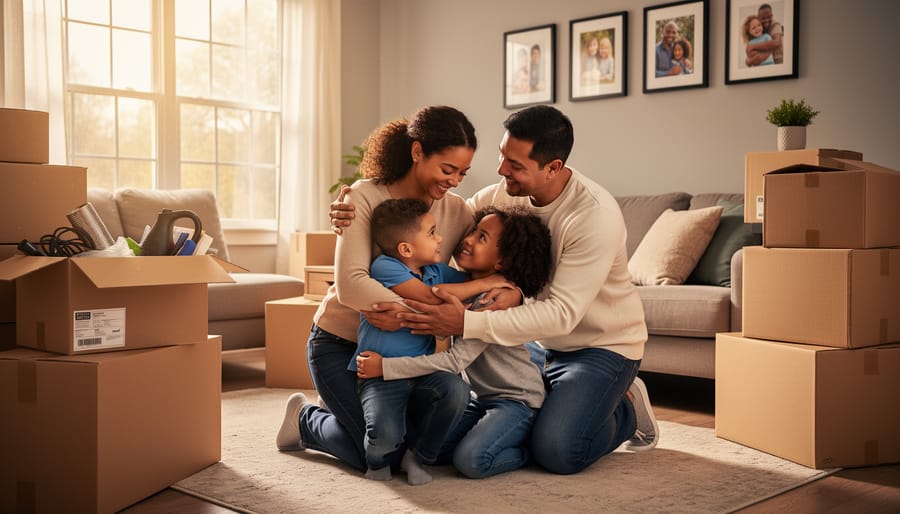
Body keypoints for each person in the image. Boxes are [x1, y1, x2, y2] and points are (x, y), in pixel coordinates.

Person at [332, 105, 659, 475]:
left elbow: (563, 314)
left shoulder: (593, 216)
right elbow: (438, 226)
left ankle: (626, 407)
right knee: (428, 439)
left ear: (553, 167)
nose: (502, 171)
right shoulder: (502, 195)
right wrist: (353, 212)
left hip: (598, 347)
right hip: (536, 350)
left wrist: (466, 321)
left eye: (516, 165)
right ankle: (547, 414)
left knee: (558, 451)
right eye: (503, 157)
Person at [275, 106, 522, 474]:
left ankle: (352, 413)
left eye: (462, 173)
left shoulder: (456, 213)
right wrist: (421, 312)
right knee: (373, 453)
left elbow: (486, 261)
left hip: (406, 356)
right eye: (447, 169)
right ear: (417, 152)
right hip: (341, 345)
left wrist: (514, 290)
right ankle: (306, 421)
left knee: (430, 444)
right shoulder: (362, 197)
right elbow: (352, 286)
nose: (454, 181)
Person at [357, 205, 553, 479]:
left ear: (501, 262)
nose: (469, 238)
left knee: (471, 461)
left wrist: (386, 367)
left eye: (481, 237)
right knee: (434, 451)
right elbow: (435, 294)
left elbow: (453, 360)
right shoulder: (465, 288)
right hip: (482, 398)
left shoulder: (491, 302)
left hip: (516, 401)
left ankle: (530, 450)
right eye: (474, 230)